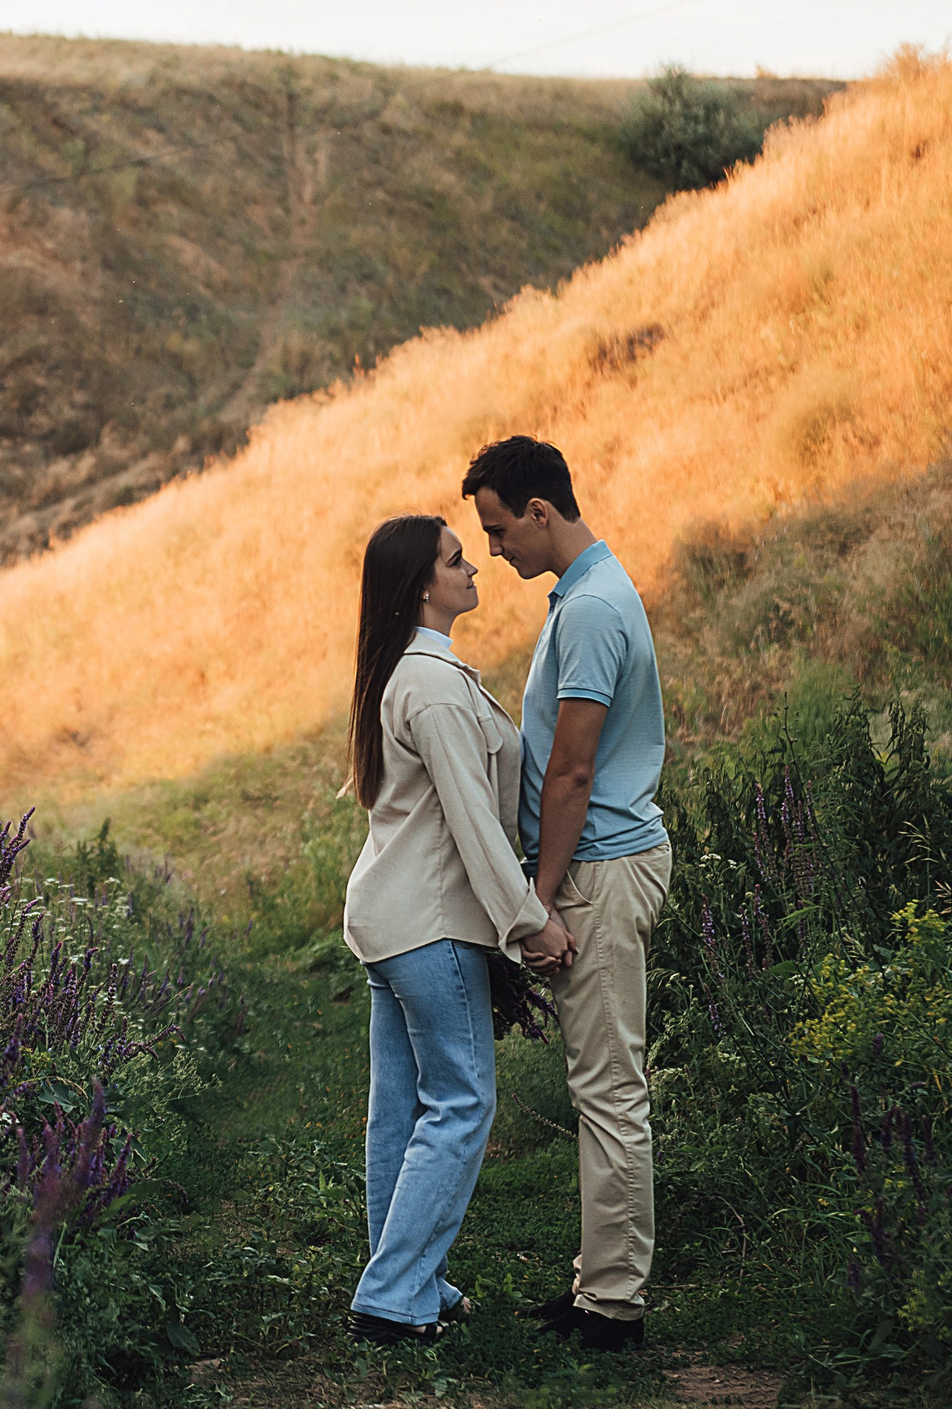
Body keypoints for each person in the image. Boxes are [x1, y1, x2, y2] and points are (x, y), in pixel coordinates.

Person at [340, 514, 576, 1349]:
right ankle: (393, 1295)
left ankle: (405, 1277)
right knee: (462, 1100)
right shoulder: (432, 686)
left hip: (394, 919)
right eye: (454, 559)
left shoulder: (410, 672)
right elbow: (474, 822)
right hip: (428, 924)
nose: (473, 566)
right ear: (421, 587)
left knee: (400, 1113)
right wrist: (528, 918)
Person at [461, 435, 672, 1354]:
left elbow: (573, 773)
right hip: (597, 863)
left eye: (499, 529)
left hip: (599, 868)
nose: (494, 548)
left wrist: (538, 899)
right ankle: (598, 1283)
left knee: (611, 1088)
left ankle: (615, 1307)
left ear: (540, 511)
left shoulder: (588, 609)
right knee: (598, 1084)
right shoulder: (586, 593)